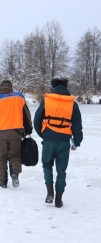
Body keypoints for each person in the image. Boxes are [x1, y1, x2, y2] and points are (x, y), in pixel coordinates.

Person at [33, 78, 83, 208]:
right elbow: (77, 126)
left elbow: (37, 120)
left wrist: (43, 134)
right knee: (61, 170)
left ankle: (50, 193)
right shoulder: (72, 104)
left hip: (49, 139)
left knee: (47, 165)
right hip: (64, 141)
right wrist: (76, 142)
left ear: (53, 87)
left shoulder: (46, 101)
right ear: (66, 87)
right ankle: (59, 199)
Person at [0, 80, 32, 188]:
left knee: (1, 157)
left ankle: (2, 181)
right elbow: (26, 115)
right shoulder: (19, 98)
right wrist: (28, 129)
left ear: (1, 88)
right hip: (16, 133)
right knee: (14, 155)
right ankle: (14, 173)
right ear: (11, 88)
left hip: (1, 134)